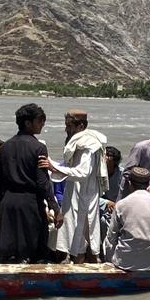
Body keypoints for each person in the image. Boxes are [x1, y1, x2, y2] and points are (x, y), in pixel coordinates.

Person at [0, 103, 62, 262]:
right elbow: (43, 182)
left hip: (8, 202)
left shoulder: (5, 147)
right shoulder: (38, 148)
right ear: (28, 123)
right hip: (30, 204)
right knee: (33, 249)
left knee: (10, 249)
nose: (42, 124)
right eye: (40, 121)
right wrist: (55, 208)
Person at [42, 109, 108, 263]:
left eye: (69, 126)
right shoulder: (79, 141)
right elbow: (71, 167)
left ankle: (83, 265)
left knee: (82, 234)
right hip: (75, 193)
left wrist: (55, 168)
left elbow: (82, 172)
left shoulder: (88, 144)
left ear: (81, 126)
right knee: (73, 232)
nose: (66, 130)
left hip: (83, 195)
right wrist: (54, 165)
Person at [105, 166, 150, 272]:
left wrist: (109, 261)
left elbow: (110, 238)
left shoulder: (121, 205)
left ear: (130, 184)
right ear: (148, 184)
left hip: (125, 263)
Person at [99, 145, 122, 240]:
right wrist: (106, 203)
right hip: (100, 206)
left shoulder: (122, 175)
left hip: (118, 207)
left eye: (107, 156)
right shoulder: (96, 174)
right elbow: (90, 195)